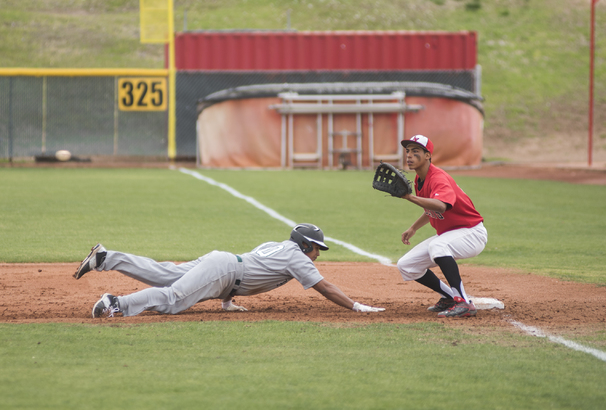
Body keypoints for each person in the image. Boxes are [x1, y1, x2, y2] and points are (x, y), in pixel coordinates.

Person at [74, 223, 385, 318]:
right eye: (317, 248)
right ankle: (116, 303)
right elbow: (326, 288)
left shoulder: (278, 246)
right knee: (173, 299)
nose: (318, 254)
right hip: (223, 271)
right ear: (305, 246)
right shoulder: (298, 259)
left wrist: (226, 301)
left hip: (224, 266)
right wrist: (356, 306)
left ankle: (106, 258)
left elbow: (250, 271)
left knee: (163, 273)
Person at [396, 135, 488, 318]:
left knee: (437, 245)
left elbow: (441, 205)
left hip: (472, 233)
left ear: (428, 155)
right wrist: (414, 228)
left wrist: (409, 197)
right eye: (408, 151)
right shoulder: (419, 179)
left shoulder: (438, 178)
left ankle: (463, 302)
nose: (409, 155)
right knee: (406, 265)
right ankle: (448, 297)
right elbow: (431, 207)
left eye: (416, 151)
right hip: (454, 233)